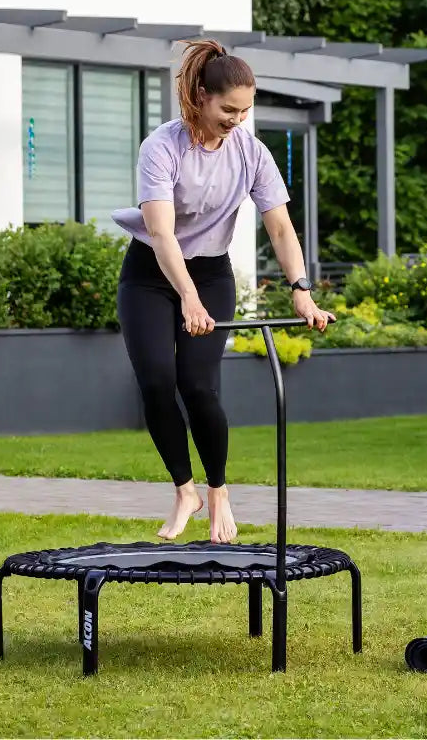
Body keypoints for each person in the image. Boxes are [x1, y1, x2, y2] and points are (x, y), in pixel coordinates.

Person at [112, 38, 334, 545]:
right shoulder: (161, 147)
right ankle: (184, 489)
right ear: (200, 98)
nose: (237, 119)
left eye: (245, 110)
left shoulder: (251, 153)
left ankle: (217, 492)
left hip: (211, 272)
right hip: (150, 273)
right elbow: (162, 234)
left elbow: (280, 228)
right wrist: (185, 297)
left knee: (198, 385)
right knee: (155, 380)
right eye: (228, 109)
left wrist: (301, 290)